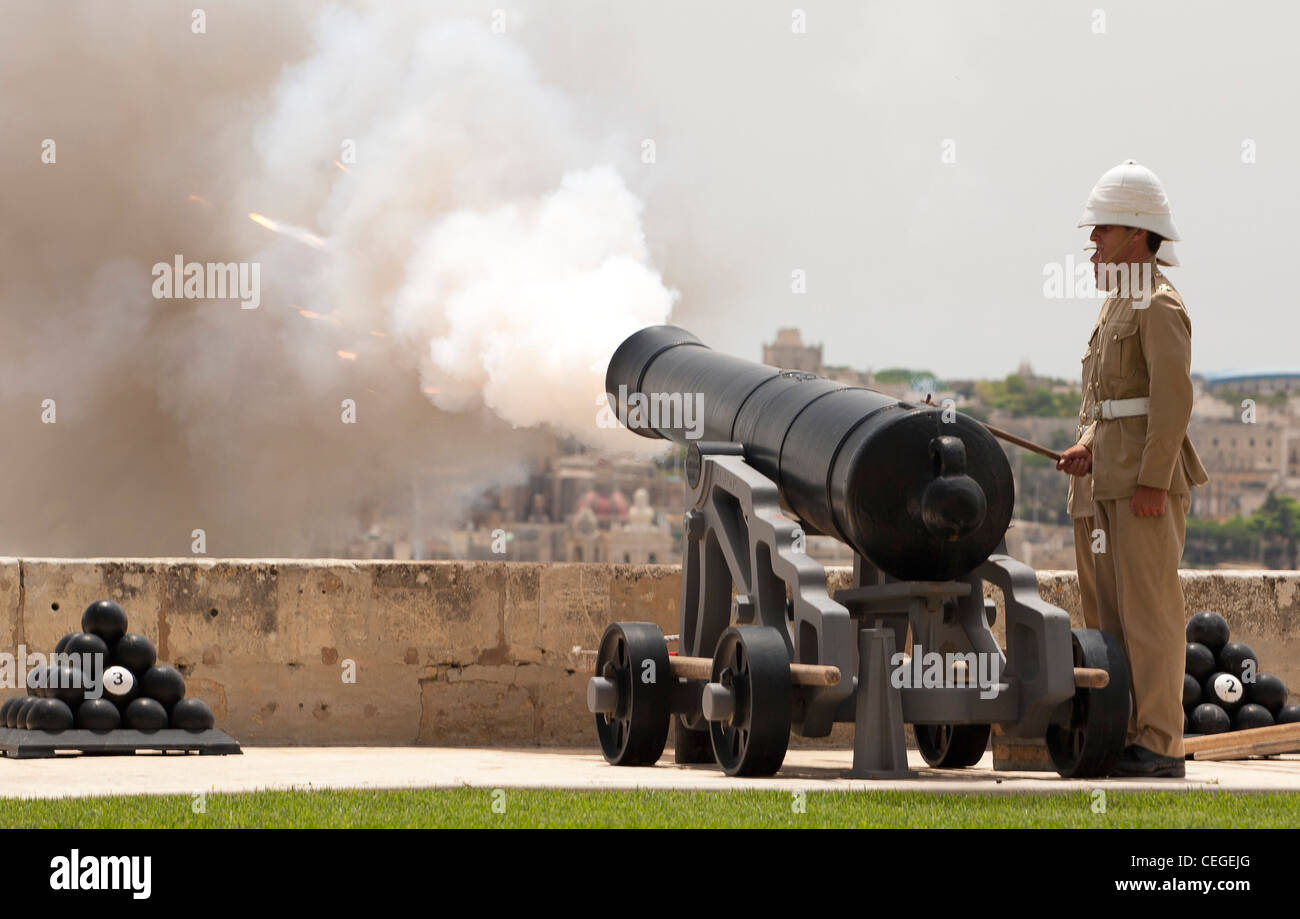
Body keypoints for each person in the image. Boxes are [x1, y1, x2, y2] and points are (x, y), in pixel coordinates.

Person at [1056, 160, 1209, 778]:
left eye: (1103, 230)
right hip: (1102, 482)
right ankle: (1122, 734)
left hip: (1141, 484)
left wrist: (1151, 478)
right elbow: (1108, 399)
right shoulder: (1117, 304)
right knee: (1108, 618)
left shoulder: (1159, 304)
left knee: (1148, 616)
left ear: (1138, 234)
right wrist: (1088, 444)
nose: (1092, 242)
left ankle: (1160, 743)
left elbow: (1172, 400)